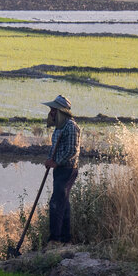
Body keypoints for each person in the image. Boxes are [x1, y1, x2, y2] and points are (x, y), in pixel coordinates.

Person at [42, 95, 81, 244]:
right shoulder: (59, 127)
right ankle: (66, 239)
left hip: (67, 170)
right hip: (59, 170)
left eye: (53, 110)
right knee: (63, 204)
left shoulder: (71, 127)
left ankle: (54, 239)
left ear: (61, 111)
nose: (51, 112)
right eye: (51, 109)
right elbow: (54, 148)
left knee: (56, 203)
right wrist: (50, 160)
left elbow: (72, 151)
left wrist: (56, 162)